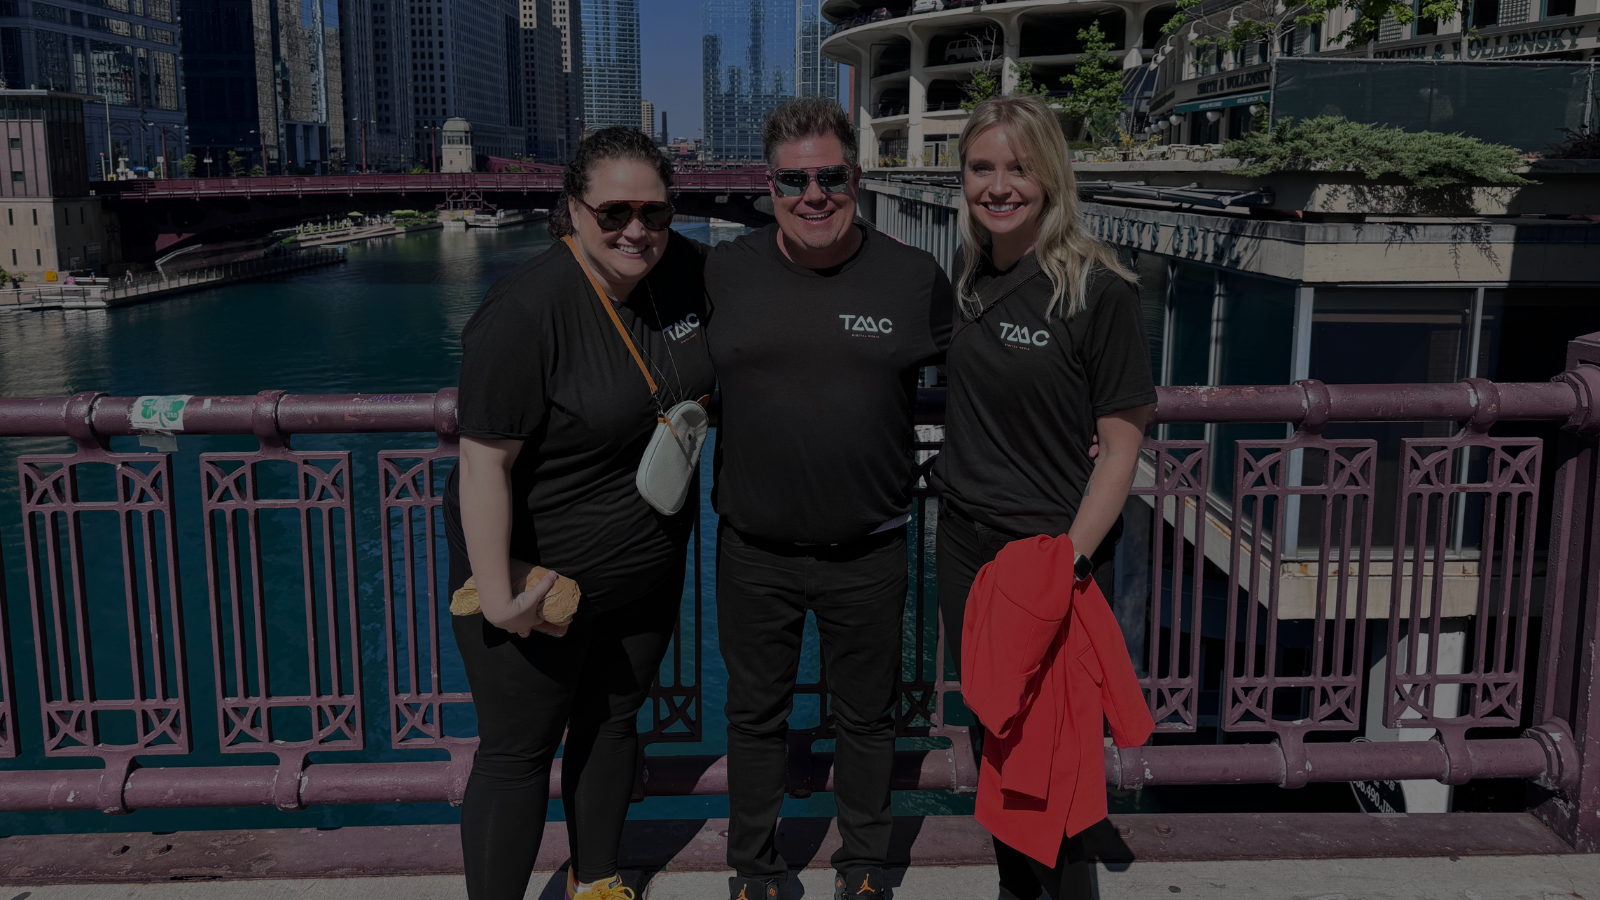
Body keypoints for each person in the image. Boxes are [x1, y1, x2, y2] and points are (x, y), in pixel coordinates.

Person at [442, 126, 714, 900]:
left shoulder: (684, 274)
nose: (637, 230)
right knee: (518, 752)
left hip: (644, 573)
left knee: (614, 725)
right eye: (614, 213)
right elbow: (482, 464)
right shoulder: (525, 310)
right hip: (540, 585)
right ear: (572, 209)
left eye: (655, 213)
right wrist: (498, 597)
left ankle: (598, 882)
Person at [704, 97, 953, 900]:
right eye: (793, 179)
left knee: (868, 720)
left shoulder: (914, 277)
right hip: (753, 549)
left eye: (831, 176)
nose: (814, 194)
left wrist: (1079, 425)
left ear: (857, 176)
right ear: (767, 187)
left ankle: (866, 868)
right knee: (754, 718)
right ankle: (755, 870)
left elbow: (984, 380)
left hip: (871, 548)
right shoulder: (721, 272)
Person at [928, 94, 1157, 900]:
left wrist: (1066, 562)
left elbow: (1122, 447)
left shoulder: (1099, 291)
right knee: (999, 748)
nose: (999, 186)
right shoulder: (968, 277)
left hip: (1043, 558)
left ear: (1050, 174)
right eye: (982, 168)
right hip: (964, 547)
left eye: (1019, 168)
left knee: (1049, 766)